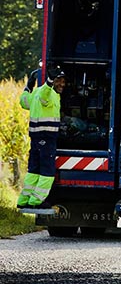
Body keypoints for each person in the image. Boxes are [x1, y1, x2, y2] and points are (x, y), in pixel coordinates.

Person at [17, 66, 66, 210]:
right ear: (51, 82)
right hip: (47, 138)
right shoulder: (47, 93)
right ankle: (36, 201)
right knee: (48, 172)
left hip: (36, 139)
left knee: (34, 170)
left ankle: (23, 199)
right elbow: (45, 95)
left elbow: (23, 102)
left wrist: (28, 86)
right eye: (59, 81)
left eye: (63, 81)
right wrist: (50, 82)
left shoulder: (35, 93)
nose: (62, 84)